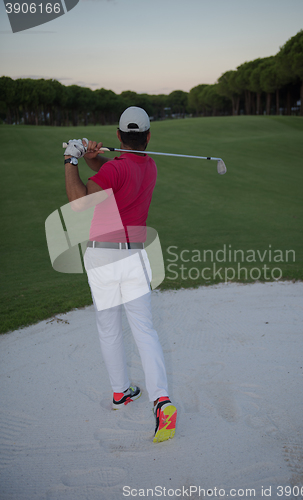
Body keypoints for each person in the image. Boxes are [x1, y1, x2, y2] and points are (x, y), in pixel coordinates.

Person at [63, 106, 177, 443]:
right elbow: (114, 172)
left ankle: (120, 392)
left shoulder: (116, 171)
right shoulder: (149, 165)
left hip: (102, 257)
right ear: (148, 136)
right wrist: (92, 158)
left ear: (118, 135)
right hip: (135, 258)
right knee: (144, 329)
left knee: (109, 326)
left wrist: (72, 159)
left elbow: (79, 202)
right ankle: (161, 399)